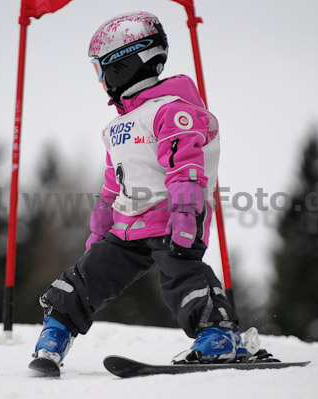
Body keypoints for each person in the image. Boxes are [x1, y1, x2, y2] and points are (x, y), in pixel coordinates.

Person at [30, 11, 257, 374]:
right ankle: (55, 333)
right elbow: (111, 182)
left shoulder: (172, 111)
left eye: (101, 68)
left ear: (122, 64)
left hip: (172, 223)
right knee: (87, 277)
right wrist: (100, 228)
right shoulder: (117, 125)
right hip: (127, 229)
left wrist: (185, 216)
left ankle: (218, 335)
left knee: (182, 278)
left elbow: (186, 168)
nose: (101, 79)